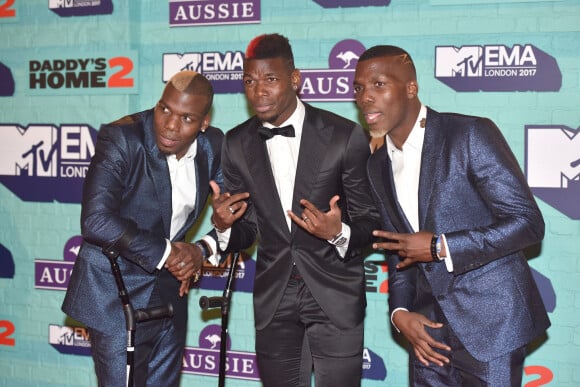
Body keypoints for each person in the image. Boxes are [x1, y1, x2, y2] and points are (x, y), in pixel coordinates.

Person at [353, 45, 551, 386]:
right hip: (427, 330)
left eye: (379, 85)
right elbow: (397, 250)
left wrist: (441, 246)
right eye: (359, 88)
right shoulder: (376, 164)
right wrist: (401, 315)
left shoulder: (468, 134)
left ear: (411, 88)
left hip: (492, 323)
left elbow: (528, 222)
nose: (366, 97)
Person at [207, 33, 380, 387]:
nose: (258, 91)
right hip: (274, 297)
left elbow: (370, 222)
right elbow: (249, 229)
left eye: (270, 79)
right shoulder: (237, 143)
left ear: (295, 79)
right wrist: (225, 226)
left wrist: (337, 232)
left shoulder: (343, 135)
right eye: (250, 82)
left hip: (334, 292)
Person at [62, 70, 223, 387]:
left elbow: (240, 210)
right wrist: (170, 254)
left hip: (170, 292)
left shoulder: (212, 146)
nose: (170, 125)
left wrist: (201, 249)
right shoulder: (122, 139)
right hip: (115, 291)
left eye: (187, 118)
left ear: (204, 123)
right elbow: (96, 220)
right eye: (165, 109)